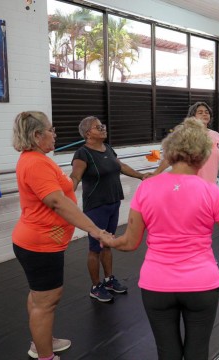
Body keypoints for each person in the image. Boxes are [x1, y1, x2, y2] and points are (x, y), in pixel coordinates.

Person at [100, 117, 219, 360]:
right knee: (197, 352)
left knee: (167, 352)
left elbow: (129, 243)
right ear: (202, 156)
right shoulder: (210, 191)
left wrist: (109, 241)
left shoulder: (146, 189)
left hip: (157, 285)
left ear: (169, 154)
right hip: (200, 284)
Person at [11, 111, 113, 360]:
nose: (55, 135)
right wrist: (95, 230)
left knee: (39, 299)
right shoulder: (36, 162)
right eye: (51, 130)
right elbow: (57, 202)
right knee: (46, 302)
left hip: (40, 241)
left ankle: (41, 341)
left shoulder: (36, 159)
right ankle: (45, 355)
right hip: (40, 244)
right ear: (37, 135)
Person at [70, 116, 151, 302]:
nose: (103, 128)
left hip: (113, 203)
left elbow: (120, 166)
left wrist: (141, 176)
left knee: (108, 243)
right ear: (88, 133)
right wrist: (64, 193)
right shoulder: (82, 154)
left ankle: (108, 280)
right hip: (96, 207)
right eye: (99, 127)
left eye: (103, 125)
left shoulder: (108, 148)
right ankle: (95, 286)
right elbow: (75, 177)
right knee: (95, 248)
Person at [153, 101, 219, 183]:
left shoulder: (216, 135)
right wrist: (156, 173)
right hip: (189, 186)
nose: (205, 114)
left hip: (209, 187)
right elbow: (170, 157)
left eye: (207, 112)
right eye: (200, 112)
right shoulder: (185, 134)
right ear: (193, 117)